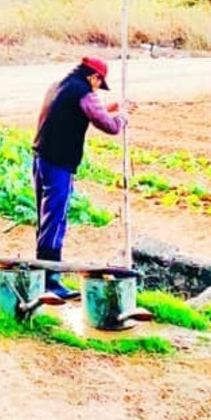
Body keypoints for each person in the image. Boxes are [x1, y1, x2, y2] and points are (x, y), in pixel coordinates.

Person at [31, 56, 135, 300]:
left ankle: (43, 273)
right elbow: (110, 127)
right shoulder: (84, 93)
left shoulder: (59, 85)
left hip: (40, 158)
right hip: (59, 163)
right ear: (94, 77)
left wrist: (111, 107)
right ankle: (51, 281)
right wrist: (123, 116)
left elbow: (87, 112)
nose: (98, 88)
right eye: (99, 83)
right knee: (56, 221)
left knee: (44, 220)